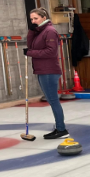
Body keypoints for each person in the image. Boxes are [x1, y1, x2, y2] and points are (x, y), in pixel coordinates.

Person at [24, 8, 68, 139]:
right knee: (51, 100)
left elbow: (50, 52)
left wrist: (30, 53)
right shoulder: (39, 31)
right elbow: (30, 45)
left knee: (53, 100)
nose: (33, 21)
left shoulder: (50, 31)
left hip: (49, 70)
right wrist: (31, 30)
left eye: (36, 18)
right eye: (31, 19)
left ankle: (61, 129)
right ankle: (60, 128)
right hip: (42, 70)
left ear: (44, 18)